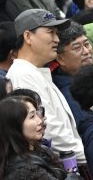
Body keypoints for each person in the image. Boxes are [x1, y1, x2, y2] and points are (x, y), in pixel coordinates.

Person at [6, 8, 87, 164]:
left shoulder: (33, 71)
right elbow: (50, 132)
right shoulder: (23, 75)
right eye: (51, 32)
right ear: (28, 36)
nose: (57, 39)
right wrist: (92, 156)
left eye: (57, 33)